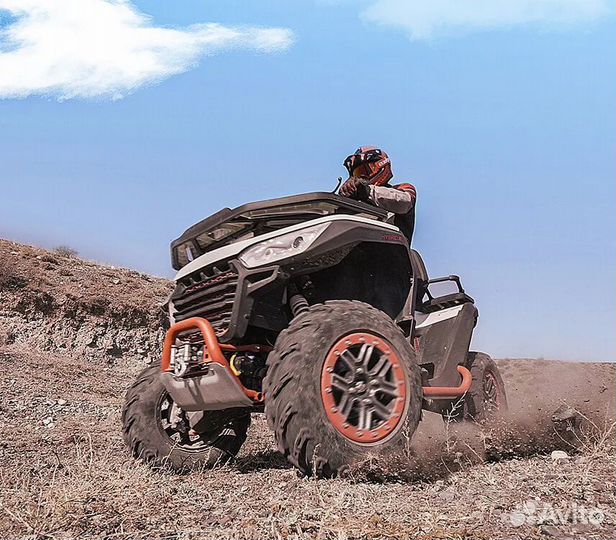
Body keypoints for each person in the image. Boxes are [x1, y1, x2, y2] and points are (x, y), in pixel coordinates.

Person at [339, 146, 417, 243]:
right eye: (358, 173)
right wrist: (342, 201)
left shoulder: (403, 189)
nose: (362, 177)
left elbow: (404, 201)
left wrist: (367, 191)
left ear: (380, 164)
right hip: (357, 248)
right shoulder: (356, 200)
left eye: (366, 170)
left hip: (392, 248)